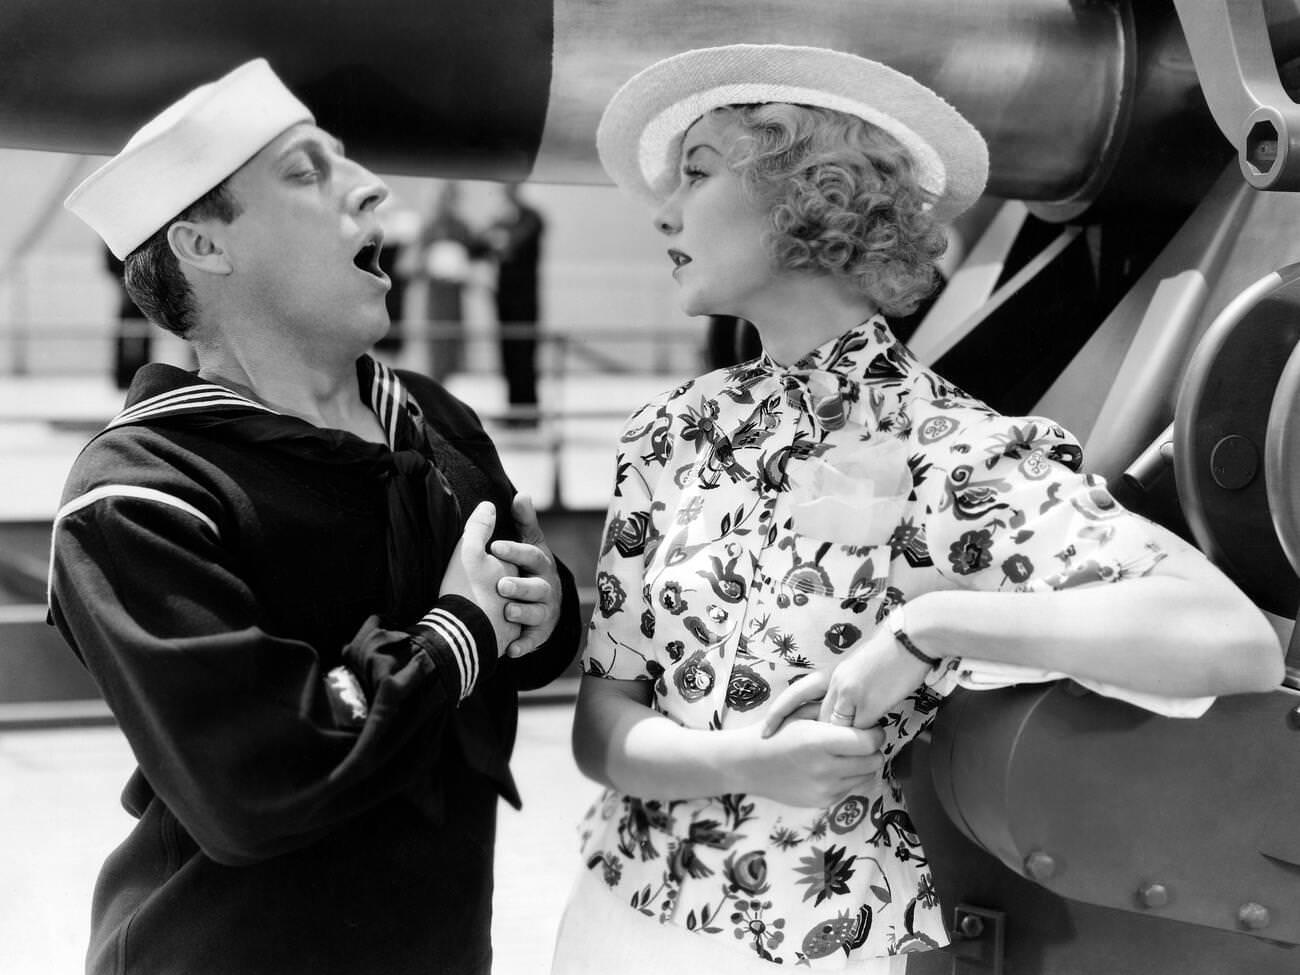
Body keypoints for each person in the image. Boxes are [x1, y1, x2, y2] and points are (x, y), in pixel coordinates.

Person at [554, 44, 1283, 974]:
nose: (663, 209)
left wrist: (927, 627)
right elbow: (600, 723)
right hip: (612, 913)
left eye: (696, 174)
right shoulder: (667, 433)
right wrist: (744, 765)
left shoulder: (950, 452)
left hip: (808, 945)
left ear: (807, 195)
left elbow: (1231, 639)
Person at [50, 59, 581, 975]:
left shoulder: (432, 417)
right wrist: (457, 631)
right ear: (204, 248)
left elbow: (510, 663)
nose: (373, 186)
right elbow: (257, 784)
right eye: (306, 172)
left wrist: (540, 614)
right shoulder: (137, 494)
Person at [483, 182, 545, 425]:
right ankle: (513, 411)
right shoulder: (503, 219)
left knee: (524, 356)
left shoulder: (532, 218)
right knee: (508, 356)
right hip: (504, 298)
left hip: (525, 300)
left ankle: (528, 413)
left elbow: (513, 244)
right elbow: (481, 244)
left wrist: (501, 236)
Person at [414, 179, 477, 383]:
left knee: (454, 339)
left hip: (454, 292)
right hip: (436, 291)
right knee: (437, 339)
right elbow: (417, 263)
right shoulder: (430, 227)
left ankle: (450, 379)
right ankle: (437, 378)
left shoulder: (461, 227)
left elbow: (474, 256)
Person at [103, 244, 151, 389]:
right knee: (128, 334)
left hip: (140, 295)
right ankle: (126, 378)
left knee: (139, 335)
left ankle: (137, 378)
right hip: (132, 295)